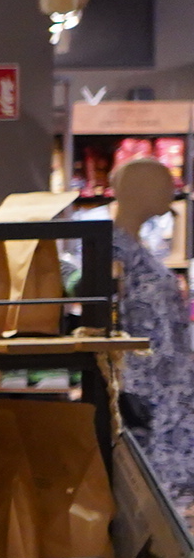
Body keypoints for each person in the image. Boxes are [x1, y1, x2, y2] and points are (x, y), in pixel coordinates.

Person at [111, 156, 194, 510]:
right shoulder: (114, 254)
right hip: (147, 398)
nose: (172, 190)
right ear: (137, 190)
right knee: (151, 504)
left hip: (166, 396)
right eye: (163, 182)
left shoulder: (133, 250)